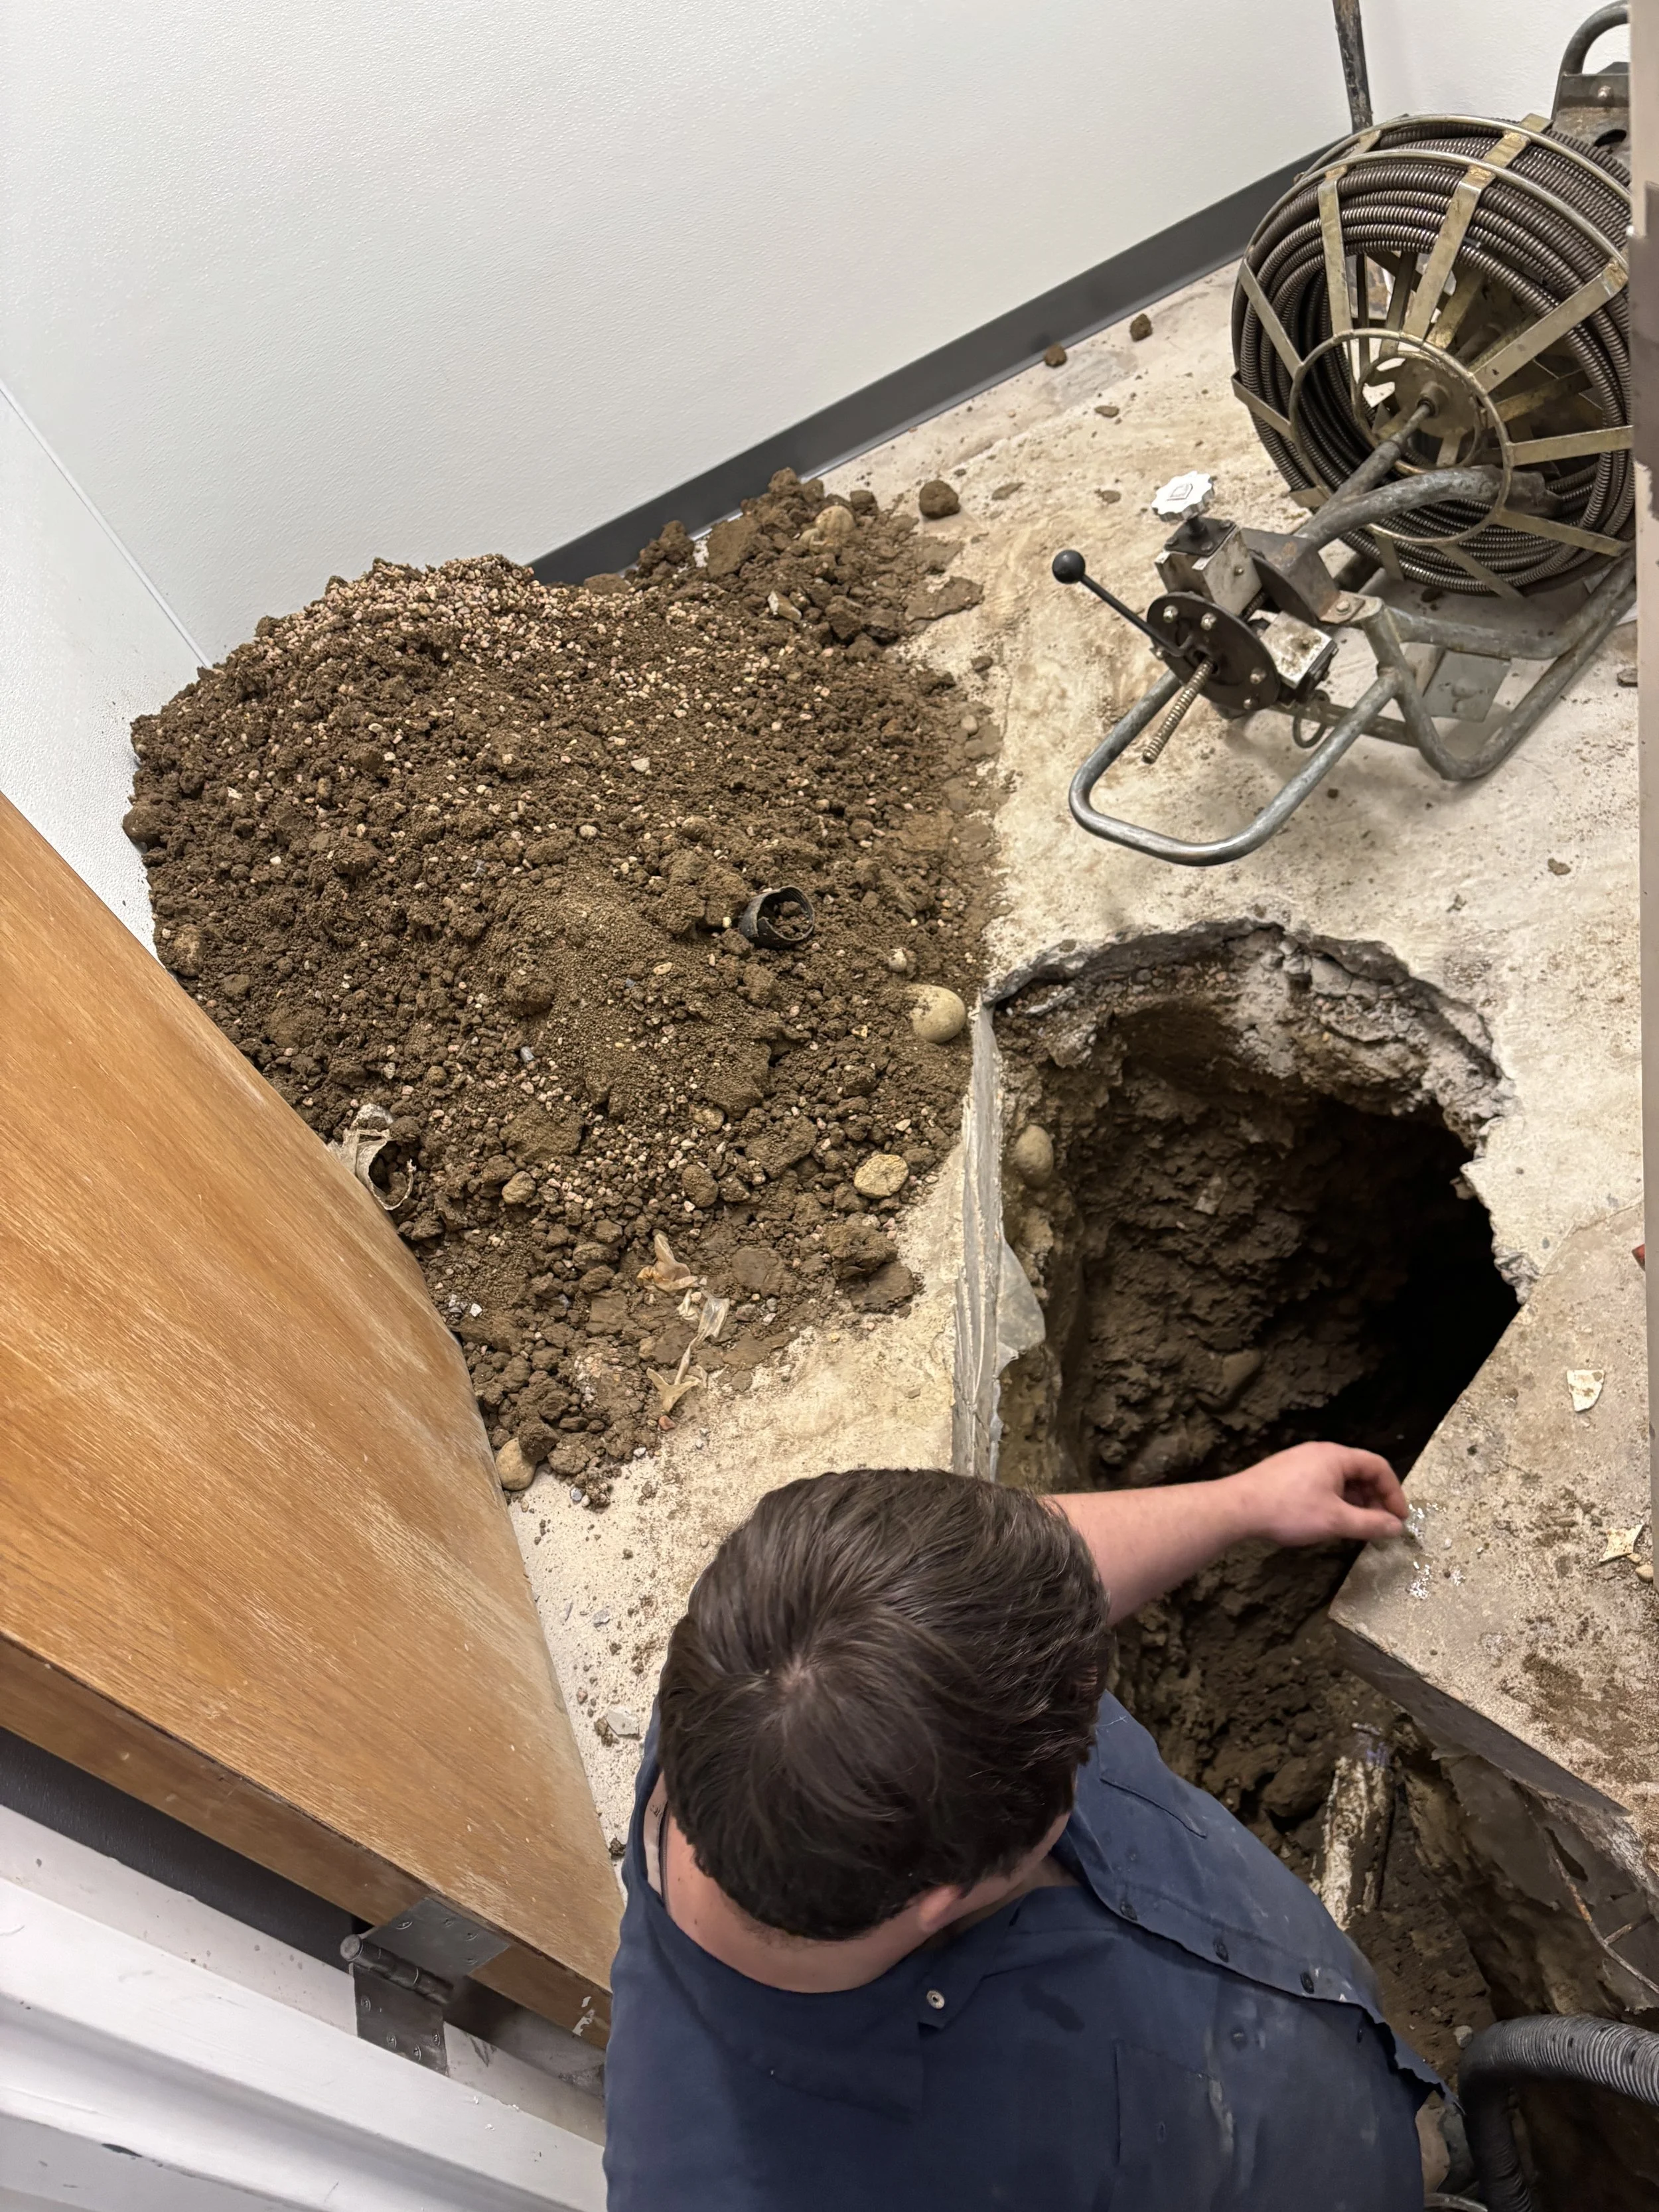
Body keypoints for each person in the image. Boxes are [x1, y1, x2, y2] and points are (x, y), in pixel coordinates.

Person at [604, 1443, 1440, 2210]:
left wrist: (1239, 1504)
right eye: (1078, 1751)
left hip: (1350, 2108)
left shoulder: (759, 1666)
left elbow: (981, 1587)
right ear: (946, 1899)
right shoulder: (753, 2184)